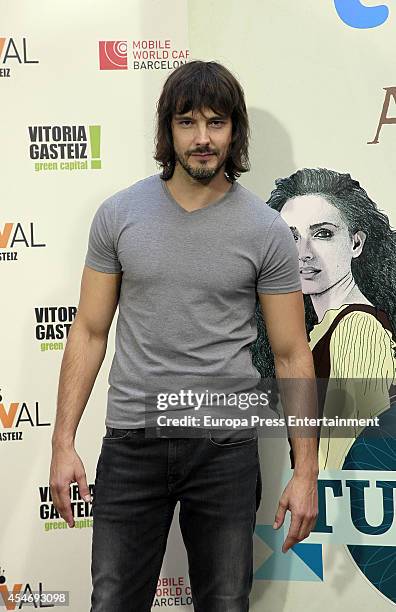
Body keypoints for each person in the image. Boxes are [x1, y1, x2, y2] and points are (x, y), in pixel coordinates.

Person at [49, 61, 319, 612]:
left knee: (224, 603)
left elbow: (292, 354)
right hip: (131, 444)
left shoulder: (265, 230)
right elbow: (90, 331)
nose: (202, 139)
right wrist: (62, 443)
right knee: (114, 603)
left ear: (234, 131)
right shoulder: (120, 215)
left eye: (216, 123)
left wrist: (306, 469)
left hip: (225, 451)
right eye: (187, 122)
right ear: (167, 132)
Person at [251, 168, 396, 470]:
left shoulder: (358, 329)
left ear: (356, 243)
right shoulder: (320, 327)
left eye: (323, 234)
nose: (303, 253)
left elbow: (343, 457)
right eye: (289, 237)